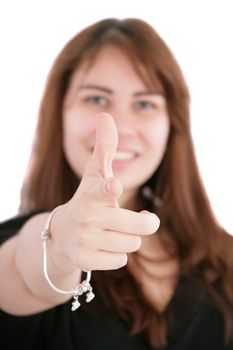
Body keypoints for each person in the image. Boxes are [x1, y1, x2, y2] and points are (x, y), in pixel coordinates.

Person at [0, 17, 232, 350]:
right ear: (60, 114)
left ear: (172, 125)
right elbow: (24, 273)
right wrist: (58, 244)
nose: (121, 126)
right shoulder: (19, 244)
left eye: (144, 103)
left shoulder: (223, 256)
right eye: (96, 99)